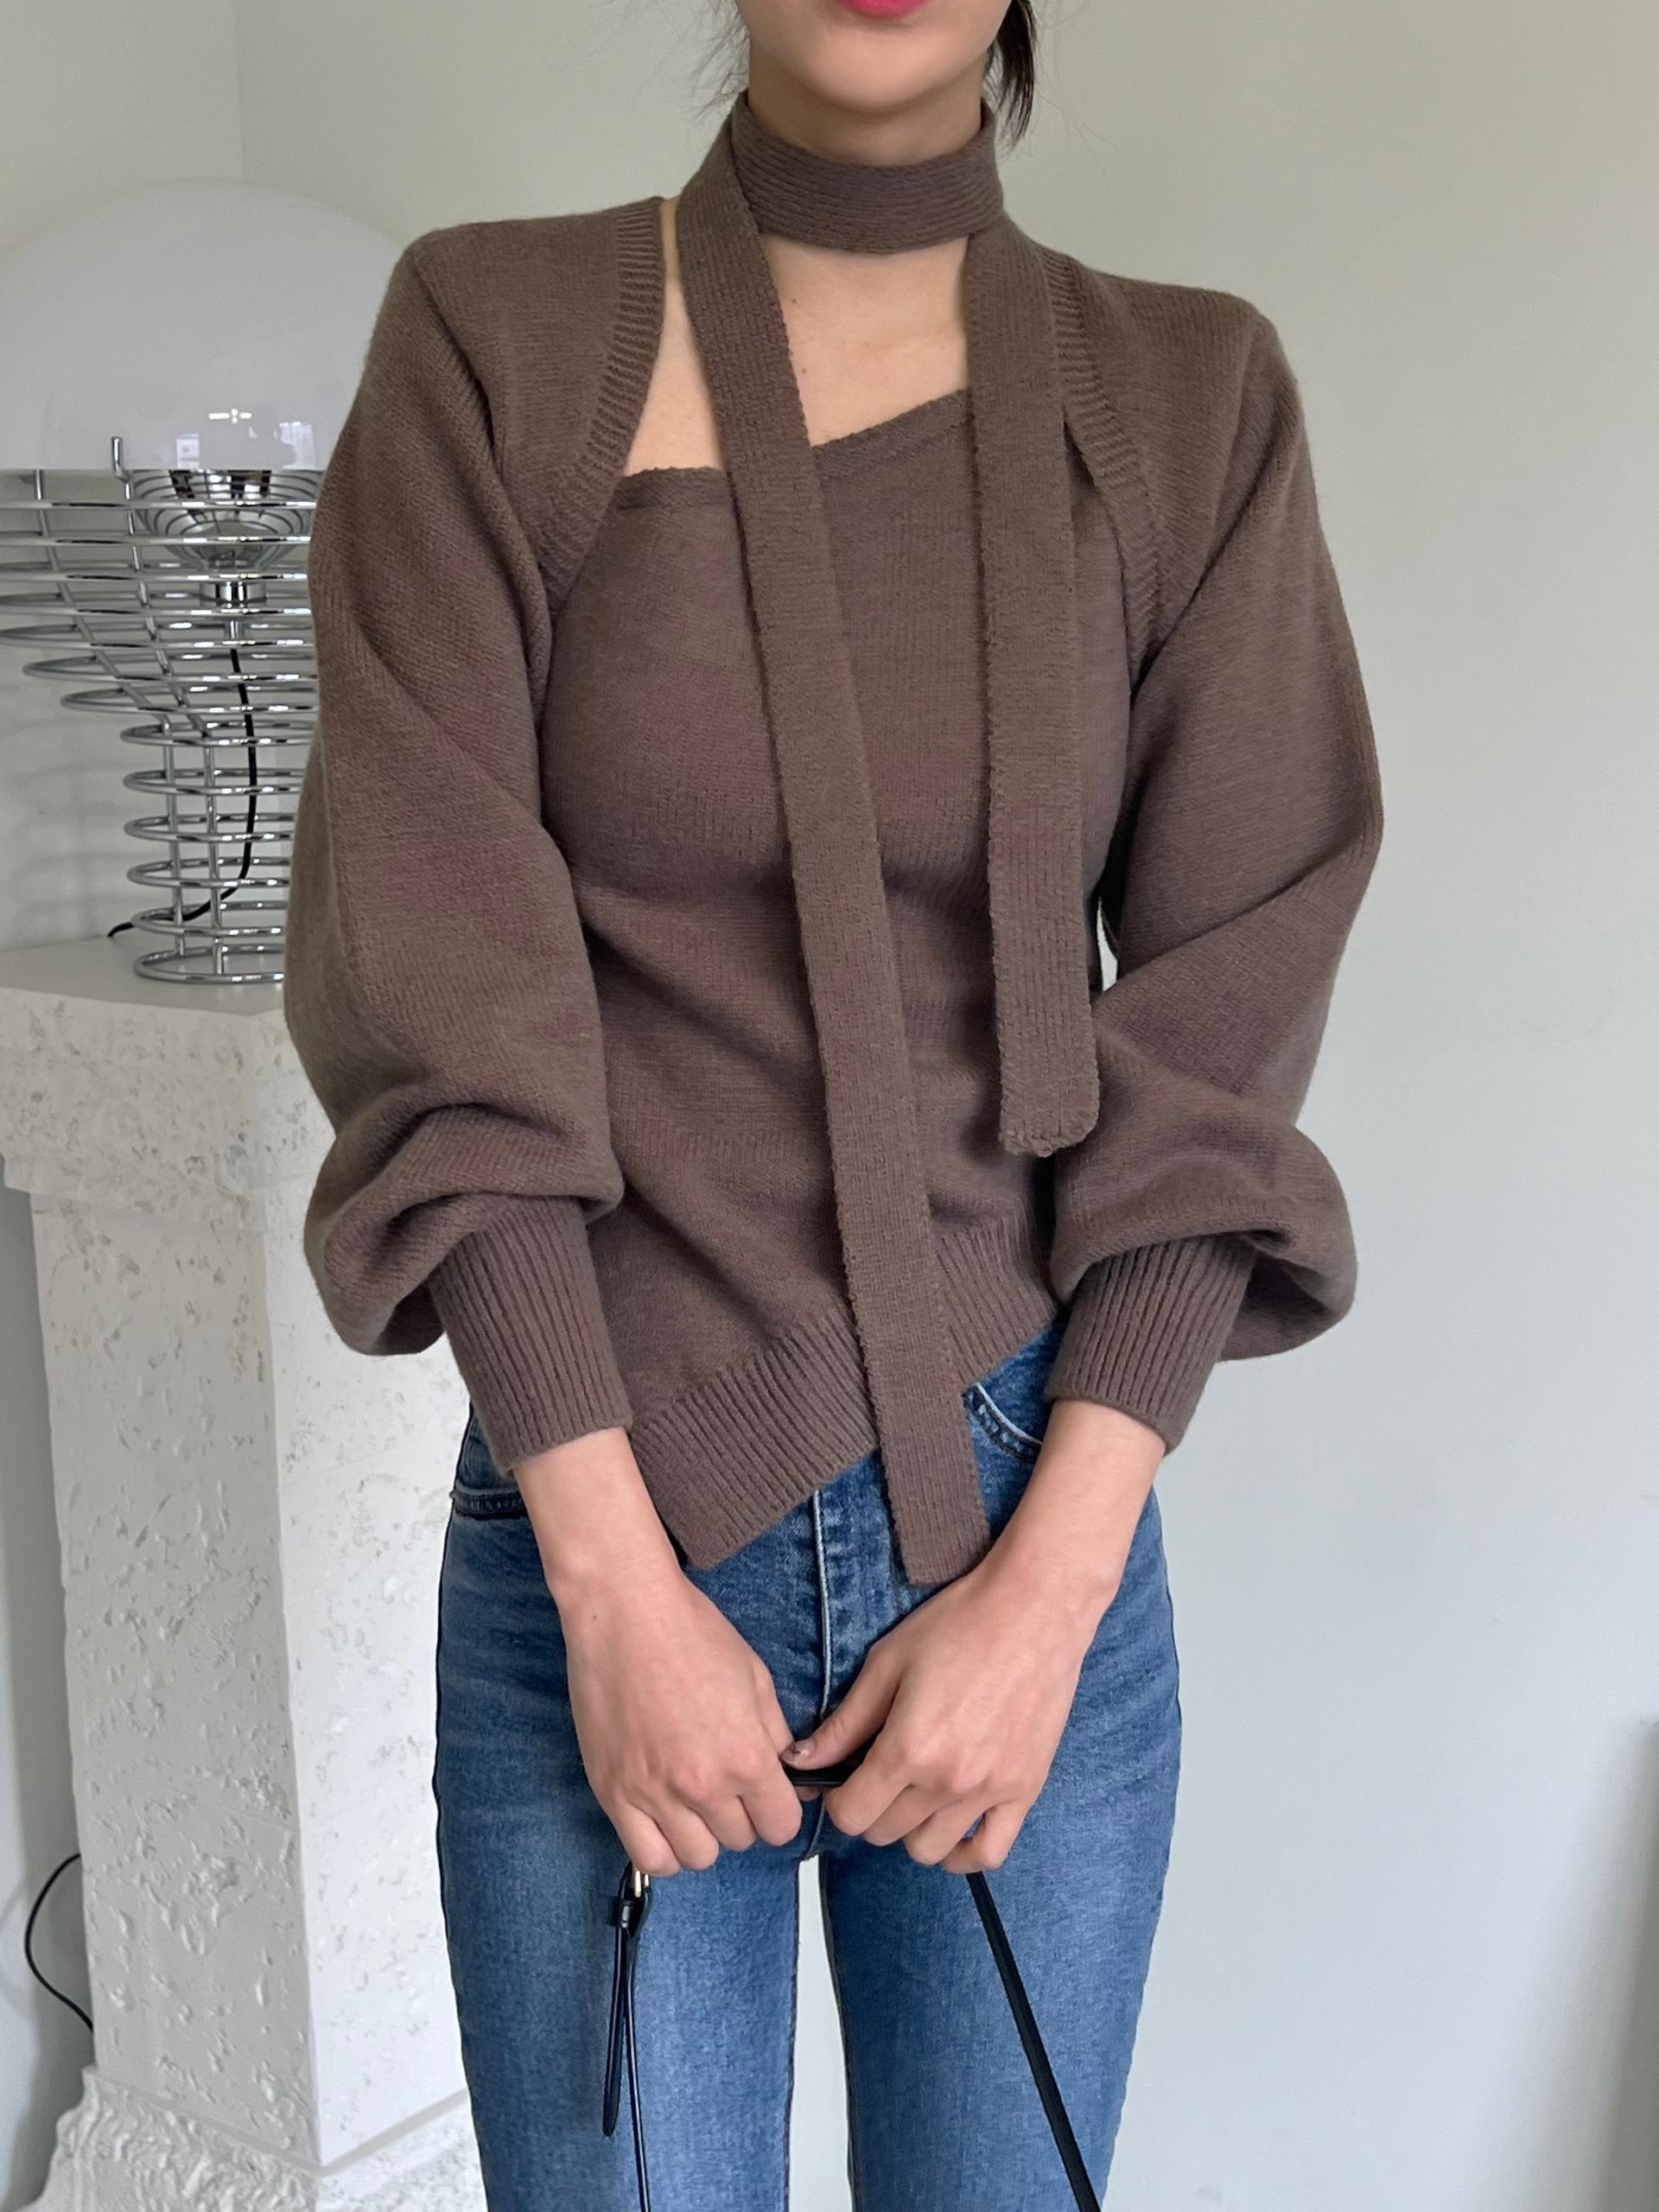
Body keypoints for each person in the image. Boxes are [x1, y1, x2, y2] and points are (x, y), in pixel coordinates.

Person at [281, 1, 1384, 2204]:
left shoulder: (1187, 397)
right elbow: (440, 985)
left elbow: (1222, 1014)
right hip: (605, 1531)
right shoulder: (496, 346)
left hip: (1034, 1537)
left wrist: (1047, 1595)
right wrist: (614, 1588)